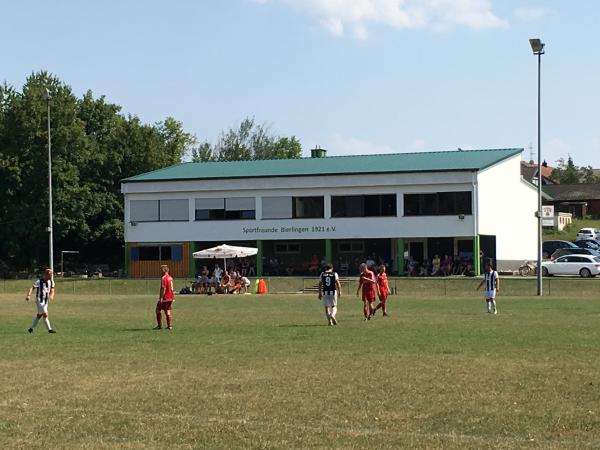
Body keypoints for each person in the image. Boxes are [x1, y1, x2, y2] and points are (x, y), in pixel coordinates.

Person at [26, 268, 57, 334]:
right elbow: (32, 288)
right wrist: (29, 295)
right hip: (39, 300)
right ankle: (50, 330)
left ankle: (31, 329)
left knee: (39, 315)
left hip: (46, 301)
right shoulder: (39, 281)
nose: (51, 275)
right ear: (45, 274)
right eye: (50, 274)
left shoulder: (51, 282)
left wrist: (51, 295)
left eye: (51, 274)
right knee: (45, 314)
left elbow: (52, 290)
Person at [155, 265, 175, 330]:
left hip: (165, 297)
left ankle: (159, 325)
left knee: (157, 310)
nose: (160, 271)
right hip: (171, 297)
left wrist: (161, 297)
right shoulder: (170, 277)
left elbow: (163, 288)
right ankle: (170, 326)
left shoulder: (164, 278)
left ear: (164, 270)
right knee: (167, 311)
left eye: (161, 270)